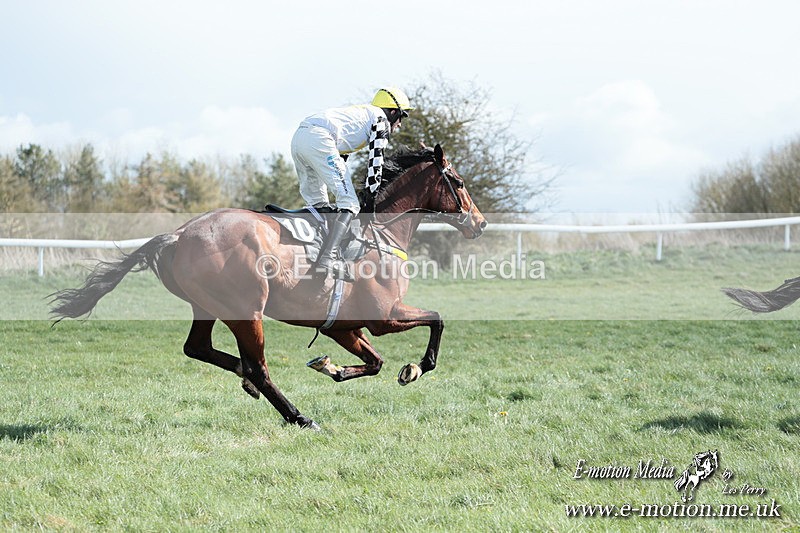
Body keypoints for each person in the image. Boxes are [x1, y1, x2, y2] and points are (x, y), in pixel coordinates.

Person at [290, 87, 412, 279]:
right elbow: (376, 164)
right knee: (350, 203)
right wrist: (371, 201)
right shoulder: (381, 120)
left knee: (318, 205)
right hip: (319, 139)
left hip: (299, 138)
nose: (399, 125)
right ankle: (328, 258)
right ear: (393, 112)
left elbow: (341, 157)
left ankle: (310, 254)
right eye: (402, 118)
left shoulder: (362, 115)